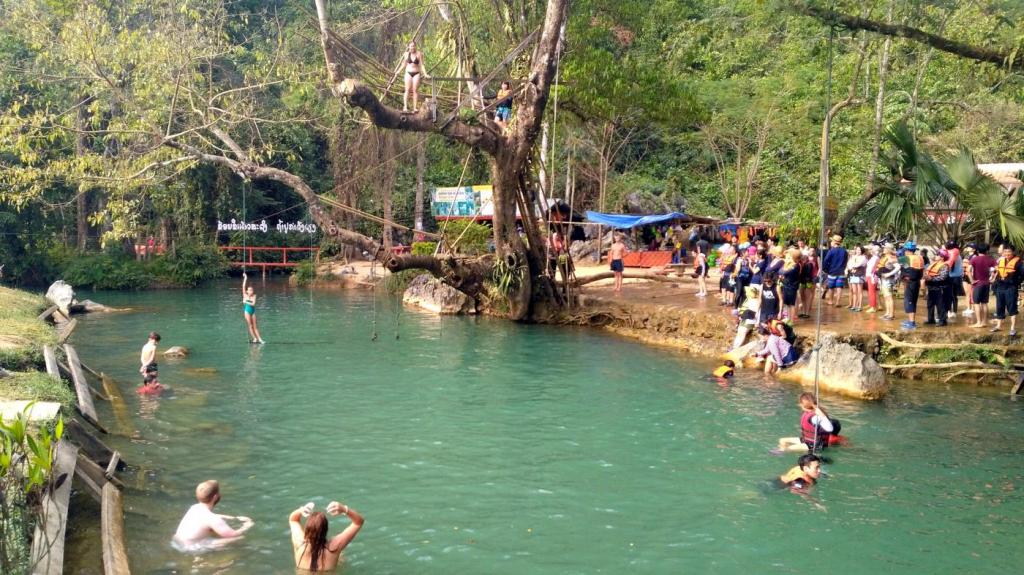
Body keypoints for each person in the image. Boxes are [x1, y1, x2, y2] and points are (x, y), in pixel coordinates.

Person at [173, 480, 253, 550]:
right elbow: (232, 534)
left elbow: (204, 518)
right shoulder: (213, 519)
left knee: (211, 531)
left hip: (176, 542)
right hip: (191, 547)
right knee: (239, 538)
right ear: (215, 497)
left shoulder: (194, 507)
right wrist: (247, 525)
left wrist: (226, 517)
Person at [289, 501, 365, 572]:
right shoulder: (334, 547)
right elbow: (358, 522)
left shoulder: (299, 543)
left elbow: (293, 520)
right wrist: (344, 509)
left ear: (307, 529)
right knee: (341, 557)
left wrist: (301, 510)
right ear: (326, 530)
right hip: (328, 564)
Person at [991, 244, 1022, 336]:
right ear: (1003, 252)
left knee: (1012, 307)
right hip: (1000, 286)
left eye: (1009, 252)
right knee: (999, 306)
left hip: (1011, 288)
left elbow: (1022, 275)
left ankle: (1012, 328)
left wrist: (1015, 281)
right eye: (1005, 252)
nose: (1007, 254)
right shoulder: (1001, 261)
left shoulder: (1019, 263)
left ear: (1013, 252)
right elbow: (997, 272)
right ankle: (998, 326)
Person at [967, 243, 996, 328]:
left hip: (977, 283)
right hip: (986, 283)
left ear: (977, 250)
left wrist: (972, 280)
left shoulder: (975, 259)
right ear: (987, 250)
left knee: (976, 303)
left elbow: (968, 270)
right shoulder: (991, 259)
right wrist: (993, 278)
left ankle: (978, 322)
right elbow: (996, 270)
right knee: (984, 303)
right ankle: (984, 322)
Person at [901, 241, 924, 330]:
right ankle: (910, 320)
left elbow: (904, 272)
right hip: (916, 282)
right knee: (913, 301)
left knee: (909, 301)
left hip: (910, 283)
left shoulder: (905, 258)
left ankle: (911, 322)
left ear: (907, 250)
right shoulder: (920, 257)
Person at [924, 250, 950, 326]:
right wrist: (926, 277)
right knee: (930, 304)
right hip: (931, 287)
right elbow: (927, 272)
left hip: (939, 288)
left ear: (942, 257)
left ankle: (942, 321)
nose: (936, 256)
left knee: (940, 305)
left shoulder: (944, 265)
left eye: (937, 255)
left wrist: (931, 279)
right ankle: (931, 319)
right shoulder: (934, 264)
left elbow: (943, 277)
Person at [876, 243, 901, 321]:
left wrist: (889, 274)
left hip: (888, 280)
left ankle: (891, 315)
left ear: (889, 249)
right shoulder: (885, 257)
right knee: (886, 297)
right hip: (883, 280)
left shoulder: (891, 257)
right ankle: (887, 313)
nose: (883, 249)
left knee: (889, 297)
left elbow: (898, 267)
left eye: (885, 248)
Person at [821, 235, 848, 307]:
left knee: (831, 287)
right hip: (841, 271)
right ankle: (838, 302)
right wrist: (843, 268)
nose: (831, 243)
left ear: (834, 242)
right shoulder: (844, 251)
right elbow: (846, 261)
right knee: (839, 287)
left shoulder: (831, 251)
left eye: (831, 241)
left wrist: (825, 269)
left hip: (832, 271)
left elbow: (826, 261)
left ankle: (830, 301)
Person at [403, 41, 426, 112]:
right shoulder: (406, 54)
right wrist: (398, 71)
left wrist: (425, 73)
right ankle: (405, 107)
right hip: (408, 72)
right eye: (411, 46)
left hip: (416, 73)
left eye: (413, 46)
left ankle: (415, 107)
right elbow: (403, 65)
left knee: (415, 90)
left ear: (415, 46)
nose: (412, 47)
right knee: (407, 90)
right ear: (409, 47)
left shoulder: (419, 54)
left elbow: (422, 65)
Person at [242, 272, 265, 344]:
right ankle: (254, 338)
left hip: (253, 311)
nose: (251, 291)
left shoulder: (254, 296)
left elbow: (253, 304)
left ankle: (260, 339)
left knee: (255, 326)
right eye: (249, 290)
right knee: (250, 325)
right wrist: (245, 278)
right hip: (247, 311)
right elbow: (243, 286)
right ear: (247, 291)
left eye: (252, 290)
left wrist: (245, 301)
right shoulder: (245, 295)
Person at [780, 248, 802, 322]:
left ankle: (791, 320)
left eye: (790, 256)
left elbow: (784, 272)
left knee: (791, 304)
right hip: (787, 285)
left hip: (792, 286)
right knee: (787, 304)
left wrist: (785, 265)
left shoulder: (796, 265)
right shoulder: (792, 264)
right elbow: (781, 271)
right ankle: (789, 319)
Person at [845, 245, 867, 311]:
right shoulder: (853, 257)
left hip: (859, 275)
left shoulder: (864, 258)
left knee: (859, 291)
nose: (858, 251)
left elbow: (859, 264)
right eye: (857, 250)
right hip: (853, 274)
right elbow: (849, 264)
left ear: (862, 251)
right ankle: (854, 305)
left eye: (859, 250)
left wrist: (852, 266)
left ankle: (859, 306)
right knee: (854, 291)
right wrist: (851, 268)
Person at [946, 240, 964, 319]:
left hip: (951, 276)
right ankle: (954, 311)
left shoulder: (950, 254)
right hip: (957, 277)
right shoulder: (958, 254)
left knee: (950, 295)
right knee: (954, 295)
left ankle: (950, 311)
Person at [864, 244, 880, 313]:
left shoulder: (876, 258)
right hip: (869, 275)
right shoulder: (873, 257)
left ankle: (873, 307)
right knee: (870, 292)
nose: (870, 251)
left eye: (871, 250)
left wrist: (871, 275)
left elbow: (874, 268)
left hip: (872, 276)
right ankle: (871, 305)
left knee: (872, 292)